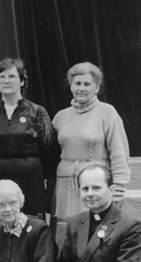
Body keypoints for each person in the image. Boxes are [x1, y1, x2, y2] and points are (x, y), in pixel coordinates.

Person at [0, 57, 57, 217]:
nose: (6, 81)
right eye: (2, 76)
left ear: (22, 81)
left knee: (31, 226)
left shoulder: (37, 112)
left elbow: (50, 153)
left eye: (12, 76)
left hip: (30, 183)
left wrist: (49, 191)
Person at [52, 61, 130, 222]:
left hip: (96, 185)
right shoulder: (61, 116)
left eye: (87, 84)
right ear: (71, 86)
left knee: (96, 230)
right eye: (77, 83)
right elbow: (51, 154)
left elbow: (119, 153)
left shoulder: (107, 112)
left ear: (97, 87)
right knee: (66, 231)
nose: (81, 88)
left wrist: (119, 189)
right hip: (66, 187)